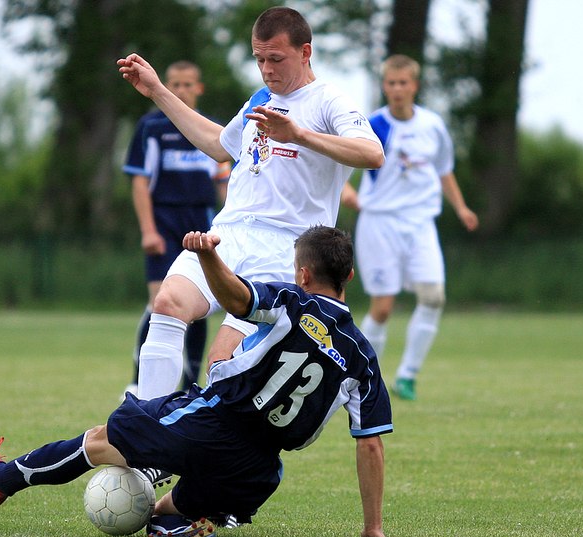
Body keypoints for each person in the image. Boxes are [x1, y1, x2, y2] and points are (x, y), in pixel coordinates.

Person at [0, 225, 392, 537]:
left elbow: (236, 298)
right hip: (260, 472)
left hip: (212, 422)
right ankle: (179, 521)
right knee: (168, 509)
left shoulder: (293, 301)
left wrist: (208, 256)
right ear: (349, 276)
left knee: (100, 439)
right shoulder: (363, 356)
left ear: (301, 274)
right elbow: (370, 443)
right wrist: (372, 527)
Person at [116, 7, 385, 403]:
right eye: (259, 59)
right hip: (227, 235)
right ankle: (146, 441)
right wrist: (158, 90)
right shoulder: (261, 98)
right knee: (168, 303)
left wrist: (299, 135)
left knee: (221, 361)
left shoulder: (329, 102)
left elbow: (372, 153)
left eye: (276, 59)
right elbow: (217, 145)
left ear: (305, 51)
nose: (266, 69)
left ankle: (208, 454)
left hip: (284, 249)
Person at [340, 54, 479, 401]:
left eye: (404, 83)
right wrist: (348, 192)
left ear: (415, 85)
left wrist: (460, 207)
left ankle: (408, 376)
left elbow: (444, 170)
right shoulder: (374, 125)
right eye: (391, 83)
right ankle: (364, 378)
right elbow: (339, 163)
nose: (397, 89)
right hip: (380, 222)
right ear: (384, 85)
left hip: (421, 223)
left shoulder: (432, 125)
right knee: (383, 307)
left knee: (433, 297)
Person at [123, 60, 230, 395]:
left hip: (201, 223)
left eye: (187, 84)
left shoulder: (212, 130)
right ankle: (139, 382)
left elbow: (224, 183)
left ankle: (190, 382)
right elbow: (140, 183)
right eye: (174, 84)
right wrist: (148, 230)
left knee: (198, 305)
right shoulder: (152, 127)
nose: (181, 90)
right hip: (165, 222)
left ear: (199, 88)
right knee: (160, 303)